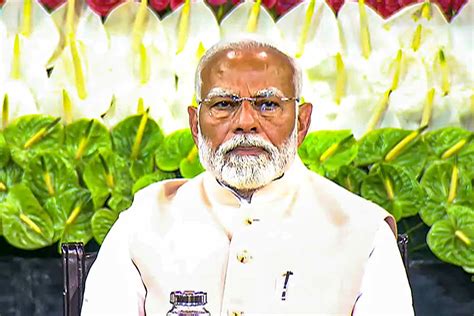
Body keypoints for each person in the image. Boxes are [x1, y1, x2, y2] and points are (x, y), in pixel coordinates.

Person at [81, 39, 413, 315]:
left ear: (302, 123)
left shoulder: (363, 232)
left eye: (267, 105)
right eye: (224, 104)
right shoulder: (144, 220)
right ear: (196, 125)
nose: (245, 122)